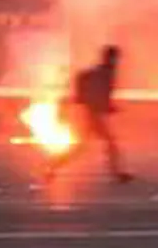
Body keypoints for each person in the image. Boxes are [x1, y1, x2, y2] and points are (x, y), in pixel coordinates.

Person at [44, 45, 133, 184]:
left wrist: (108, 106)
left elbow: (99, 94)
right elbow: (98, 94)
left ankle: (53, 166)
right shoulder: (105, 73)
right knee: (107, 145)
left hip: (92, 114)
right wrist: (107, 107)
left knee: (83, 147)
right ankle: (116, 174)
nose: (117, 61)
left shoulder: (105, 72)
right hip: (92, 115)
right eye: (115, 58)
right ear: (111, 58)